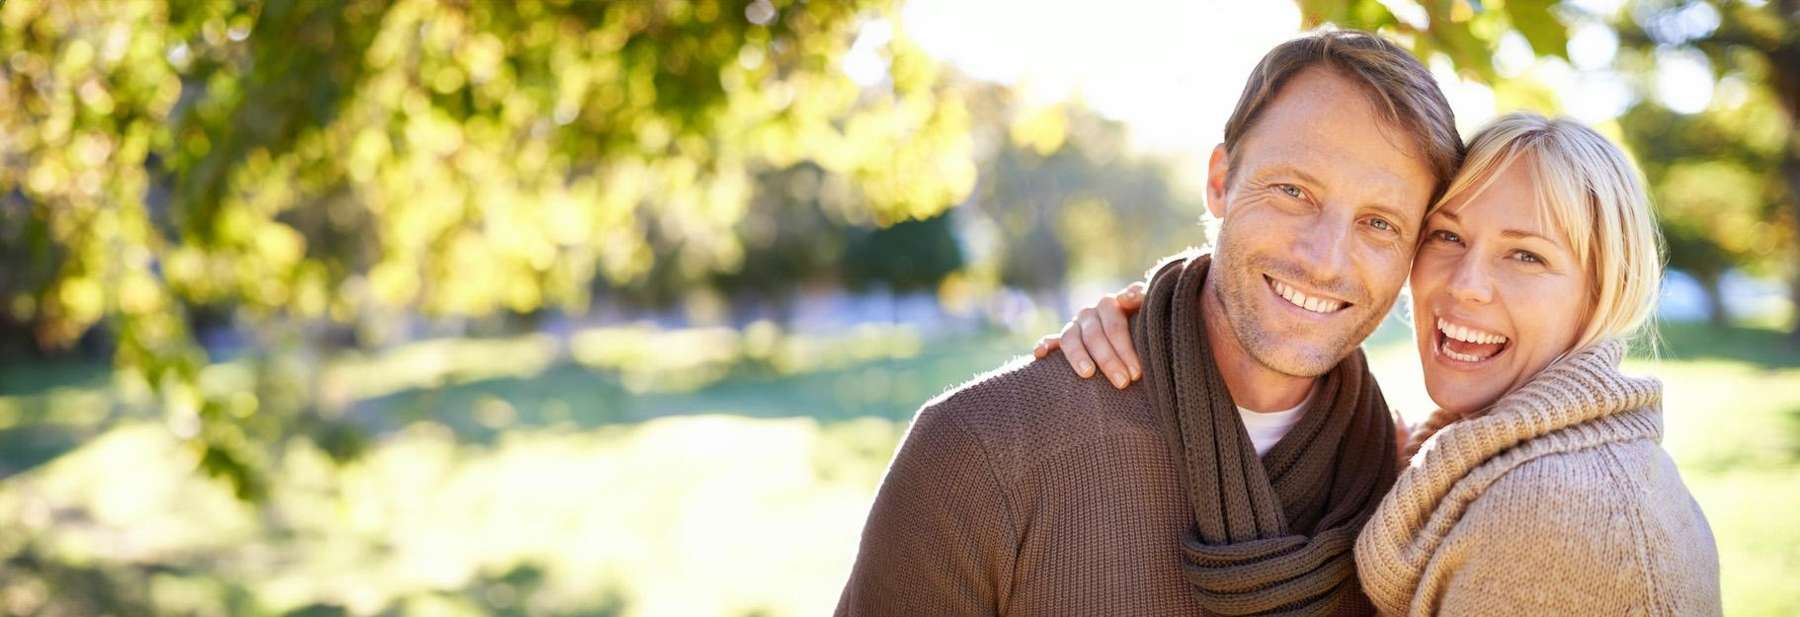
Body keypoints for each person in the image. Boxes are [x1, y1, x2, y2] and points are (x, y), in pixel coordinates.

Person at [836, 30, 1462, 616]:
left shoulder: (1404, 487)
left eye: (1380, 223)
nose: (1324, 260)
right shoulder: (979, 451)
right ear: (1220, 182)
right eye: (1293, 191)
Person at [1037, 112, 1721, 614]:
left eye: (1526, 255)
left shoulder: (1555, 512)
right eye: (1447, 236)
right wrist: (1166, 316)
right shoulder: (1461, 456)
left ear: (1603, 290)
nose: (1464, 284)